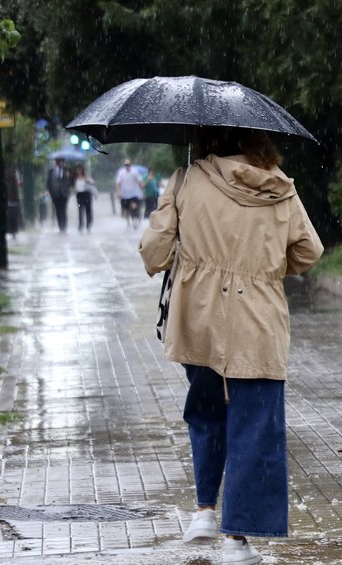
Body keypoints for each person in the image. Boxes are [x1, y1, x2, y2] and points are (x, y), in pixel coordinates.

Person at [139, 127, 323, 565]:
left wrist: (184, 228)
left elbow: (154, 254)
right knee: (253, 428)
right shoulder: (280, 188)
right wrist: (264, 268)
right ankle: (236, 541)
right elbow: (308, 251)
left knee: (206, 412)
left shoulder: (186, 179)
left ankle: (204, 511)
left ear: (208, 140)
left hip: (199, 319)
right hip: (257, 324)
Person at [46, 157, 73, 233]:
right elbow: (49, 182)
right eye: (57, 161)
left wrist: (69, 177)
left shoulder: (67, 170)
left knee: (63, 209)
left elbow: (71, 182)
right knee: (58, 210)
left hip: (64, 193)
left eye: (61, 161)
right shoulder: (51, 171)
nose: (59, 162)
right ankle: (60, 226)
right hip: (55, 194)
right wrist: (50, 191)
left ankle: (64, 226)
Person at [115, 159, 143, 229]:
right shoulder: (121, 173)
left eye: (128, 165)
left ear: (131, 165)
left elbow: (140, 181)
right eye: (126, 165)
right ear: (124, 165)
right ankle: (128, 222)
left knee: (134, 207)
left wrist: (142, 191)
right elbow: (118, 183)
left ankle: (135, 221)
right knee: (126, 210)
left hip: (134, 193)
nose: (127, 166)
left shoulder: (135, 172)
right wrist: (118, 192)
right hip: (125, 195)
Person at [74, 164, 97, 233]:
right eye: (77, 170)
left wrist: (87, 180)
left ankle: (88, 225)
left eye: (80, 169)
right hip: (79, 195)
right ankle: (80, 225)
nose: (79, 171)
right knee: (80, 210)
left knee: (88, 210)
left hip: (87, 194)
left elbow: (93, 183)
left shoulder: (86, 177)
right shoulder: (75, 178)